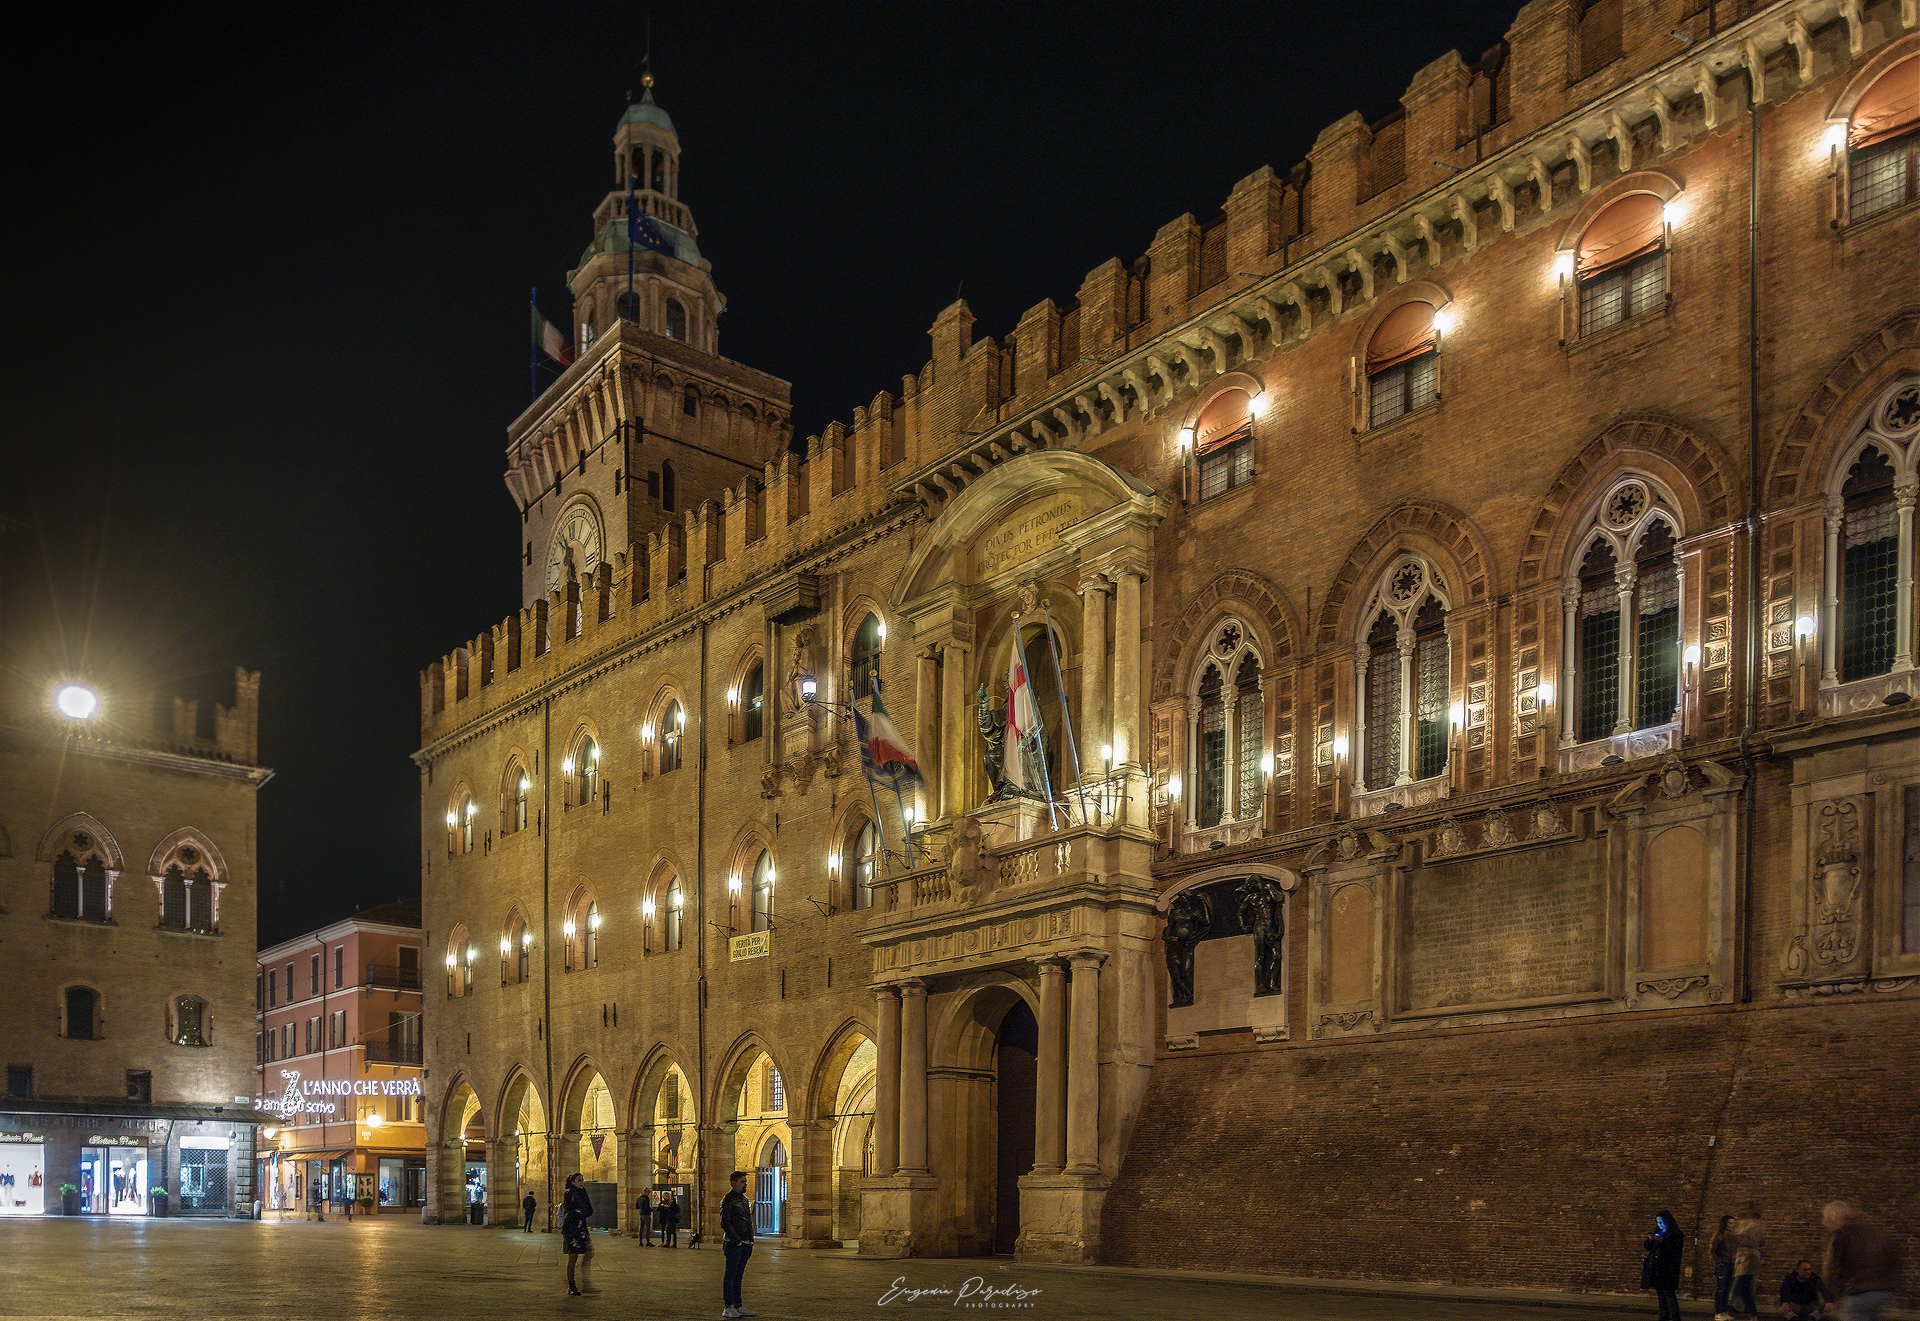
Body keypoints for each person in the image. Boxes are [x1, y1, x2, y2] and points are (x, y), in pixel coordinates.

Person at [1823, 1201, 1903, 1321]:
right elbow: (1895, 1260)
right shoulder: (1876, 1231)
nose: (1826, 1223)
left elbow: (1831, 1267)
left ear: (1835, 1215)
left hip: (1858, 1292)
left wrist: (1834, 1295)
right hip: (1883, 1292)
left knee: (1848, 1313)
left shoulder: (1842, 1233)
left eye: (1827, 1218)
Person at [721, 1169, 757, 1320]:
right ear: (733, 1183)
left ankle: (738, 1305)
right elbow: (725, 1222)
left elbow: (746, 1221)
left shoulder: (743, 1199)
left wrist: (750, 1240)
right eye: (742, 1182)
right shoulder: (728, 1199)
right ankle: (728, 1307)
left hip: (745, 1243)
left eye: (745, 1182)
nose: (745, 1184)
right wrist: (737, 1240)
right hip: (733, 1243)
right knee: (730, 1276)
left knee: (739, 1276)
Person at [1645, 1210, 1685, 1321]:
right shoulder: (1657, 1231)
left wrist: (1662, 1241)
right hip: (1657, 1268)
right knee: (1660, 1293)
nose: (1659, 1224)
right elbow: (1648, 1247)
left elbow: (1674, 1250)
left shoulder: (1675, 1234)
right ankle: (1663, 1316)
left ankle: (1675, 1317)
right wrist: (1651, 1239)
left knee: (1669, 1293)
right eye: (1657, 1222)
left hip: (1668, 1268)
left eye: (1661, 1222)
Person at [560, 1173, 594, 1297]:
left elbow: (590, 1210)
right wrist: (580, 1211)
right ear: (573, 1182)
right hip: (572, 1228)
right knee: (573, 1258)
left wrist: (580, 1211)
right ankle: (571, 1285)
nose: (582, 1182)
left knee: (590, 1252)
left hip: (582, 1228)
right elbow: (571, 1210)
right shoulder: (569, 1194)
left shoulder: (583, 1192)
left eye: (582, 1180)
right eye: (579, 1180)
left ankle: (585, 1279)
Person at [1732, 1205, 1768, 1321]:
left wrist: (1737, 1238)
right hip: (1743, 1258)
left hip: (1749, 1258)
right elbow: (1761, 1242)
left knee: (1738, 1285)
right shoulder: (1744, 1225)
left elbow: (1755, 1242)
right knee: (1744, 1288)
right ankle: (1752, 1314)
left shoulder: (1754, 1226)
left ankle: (1730, 1305)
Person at [1713, 1214, 1738, 1320]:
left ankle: (1723, 1311)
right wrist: (1718, 1261)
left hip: (1731, 1264)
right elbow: (1712, 1250)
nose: (1732, 1225)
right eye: (1730, 1223)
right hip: (1723, 1265)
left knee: (1727, 1289)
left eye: (1733, 1223)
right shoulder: (1719, 1235)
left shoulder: (1733, 1236)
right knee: (1721, 1289)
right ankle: (1718, 1312)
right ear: (1725, 1224)